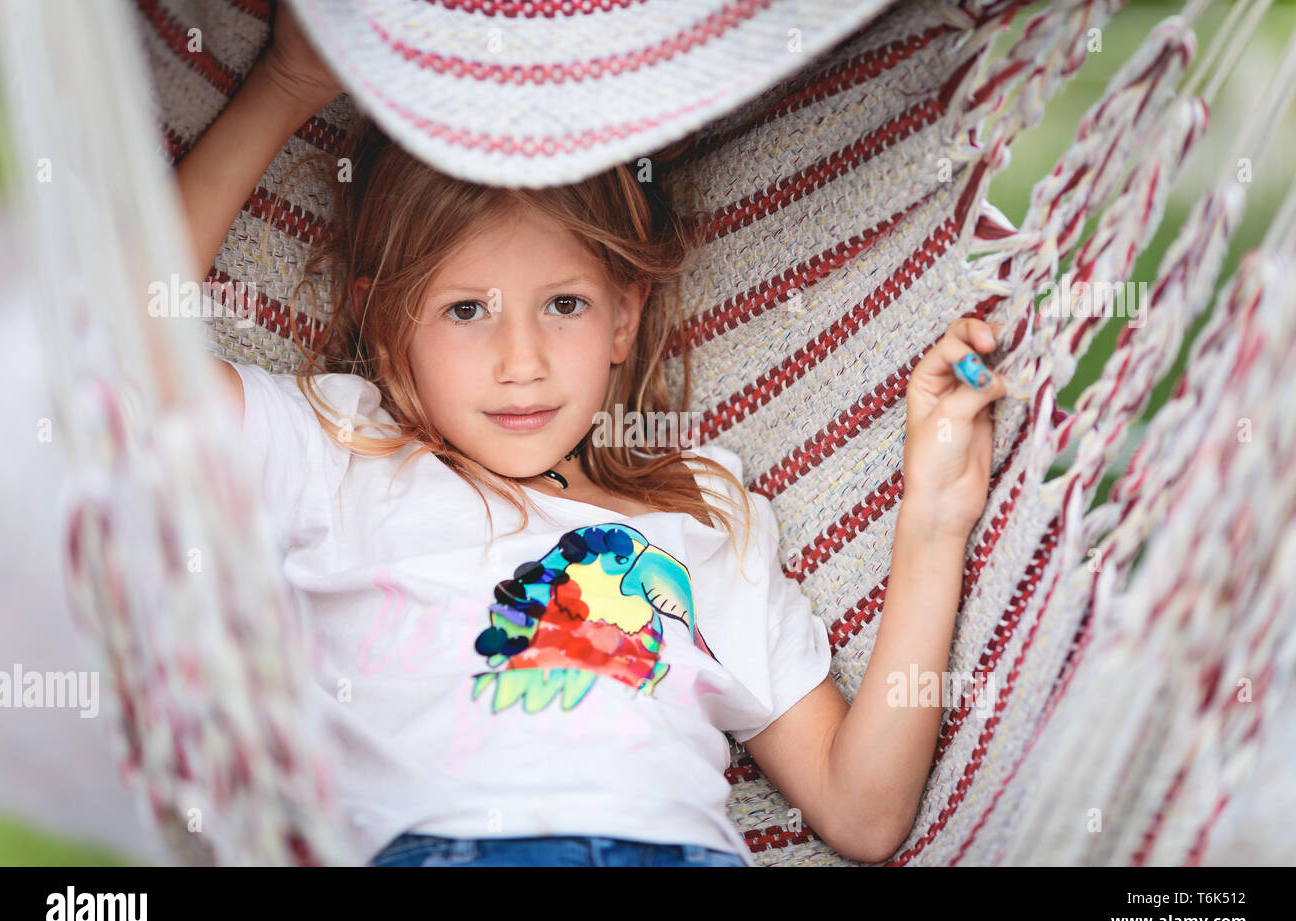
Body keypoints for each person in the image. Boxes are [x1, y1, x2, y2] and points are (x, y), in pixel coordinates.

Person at [170, 1, 1008, 867]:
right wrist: (287, 85)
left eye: (564, 305)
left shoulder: (705, 513)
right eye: (466, 312)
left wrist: (935, 520)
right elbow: (114, 360)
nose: (521, 361)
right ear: (386, 326)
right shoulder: (338, 450)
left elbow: (860, 810)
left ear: (623, 318)